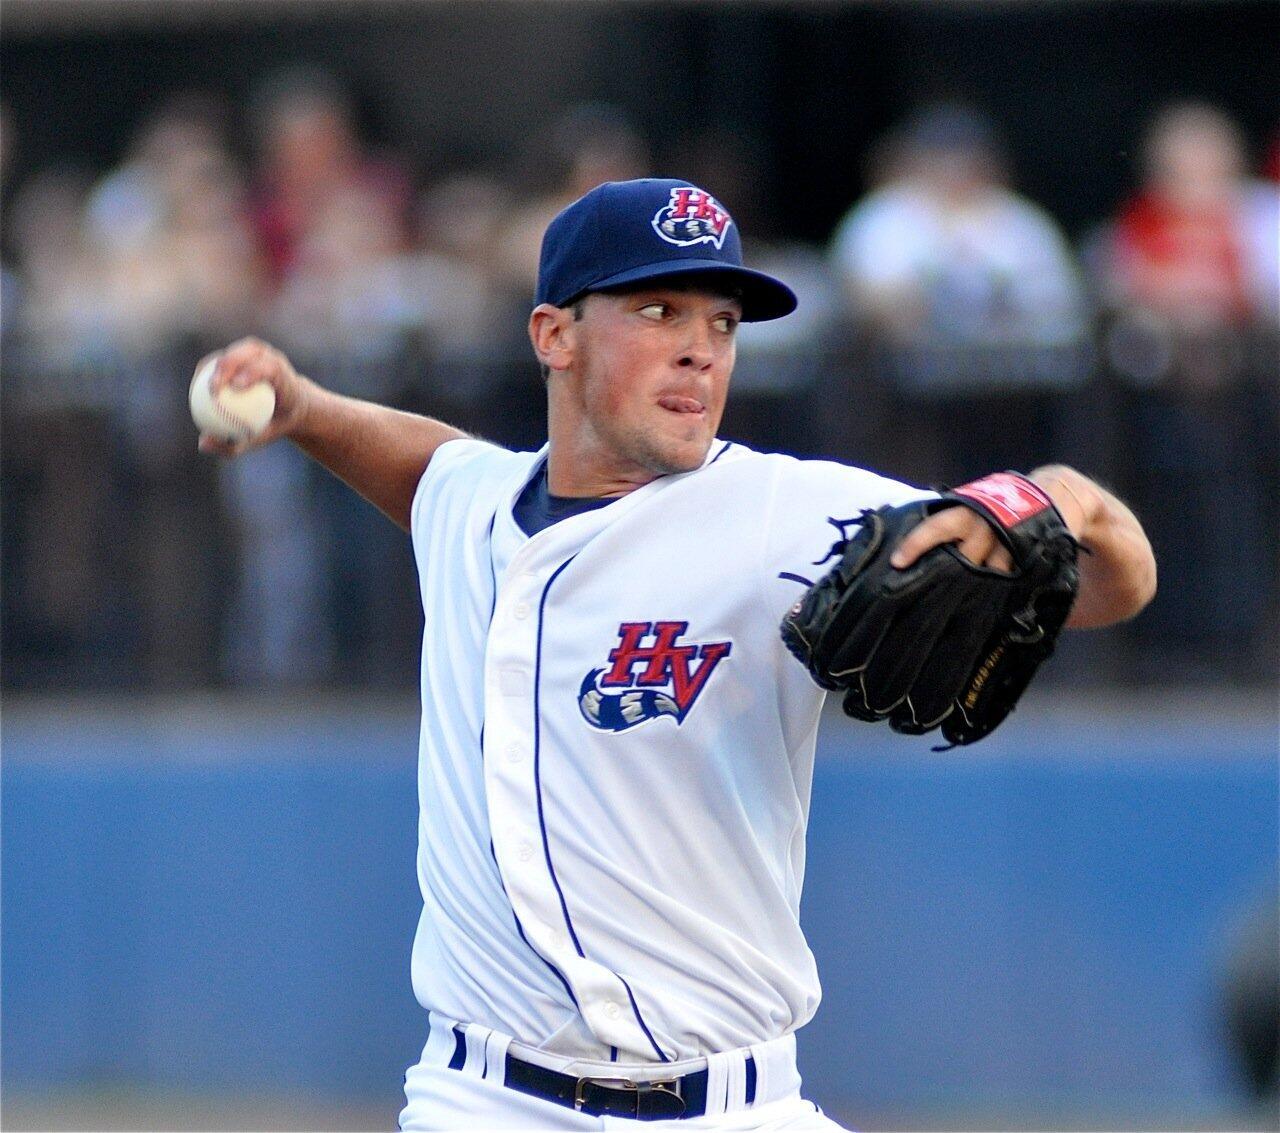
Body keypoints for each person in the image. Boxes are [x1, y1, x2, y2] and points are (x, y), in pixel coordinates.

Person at [198, 178, 1156, 1129]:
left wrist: (1060, 498)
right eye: (658, 310)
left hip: (737, 1104)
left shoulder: (788, 514)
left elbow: (1120, 584)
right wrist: (305, 409)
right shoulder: (473, 506)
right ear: (554, 335)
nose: (700, 349)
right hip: (484, 1099)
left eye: (724, 322)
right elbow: (427, 467)